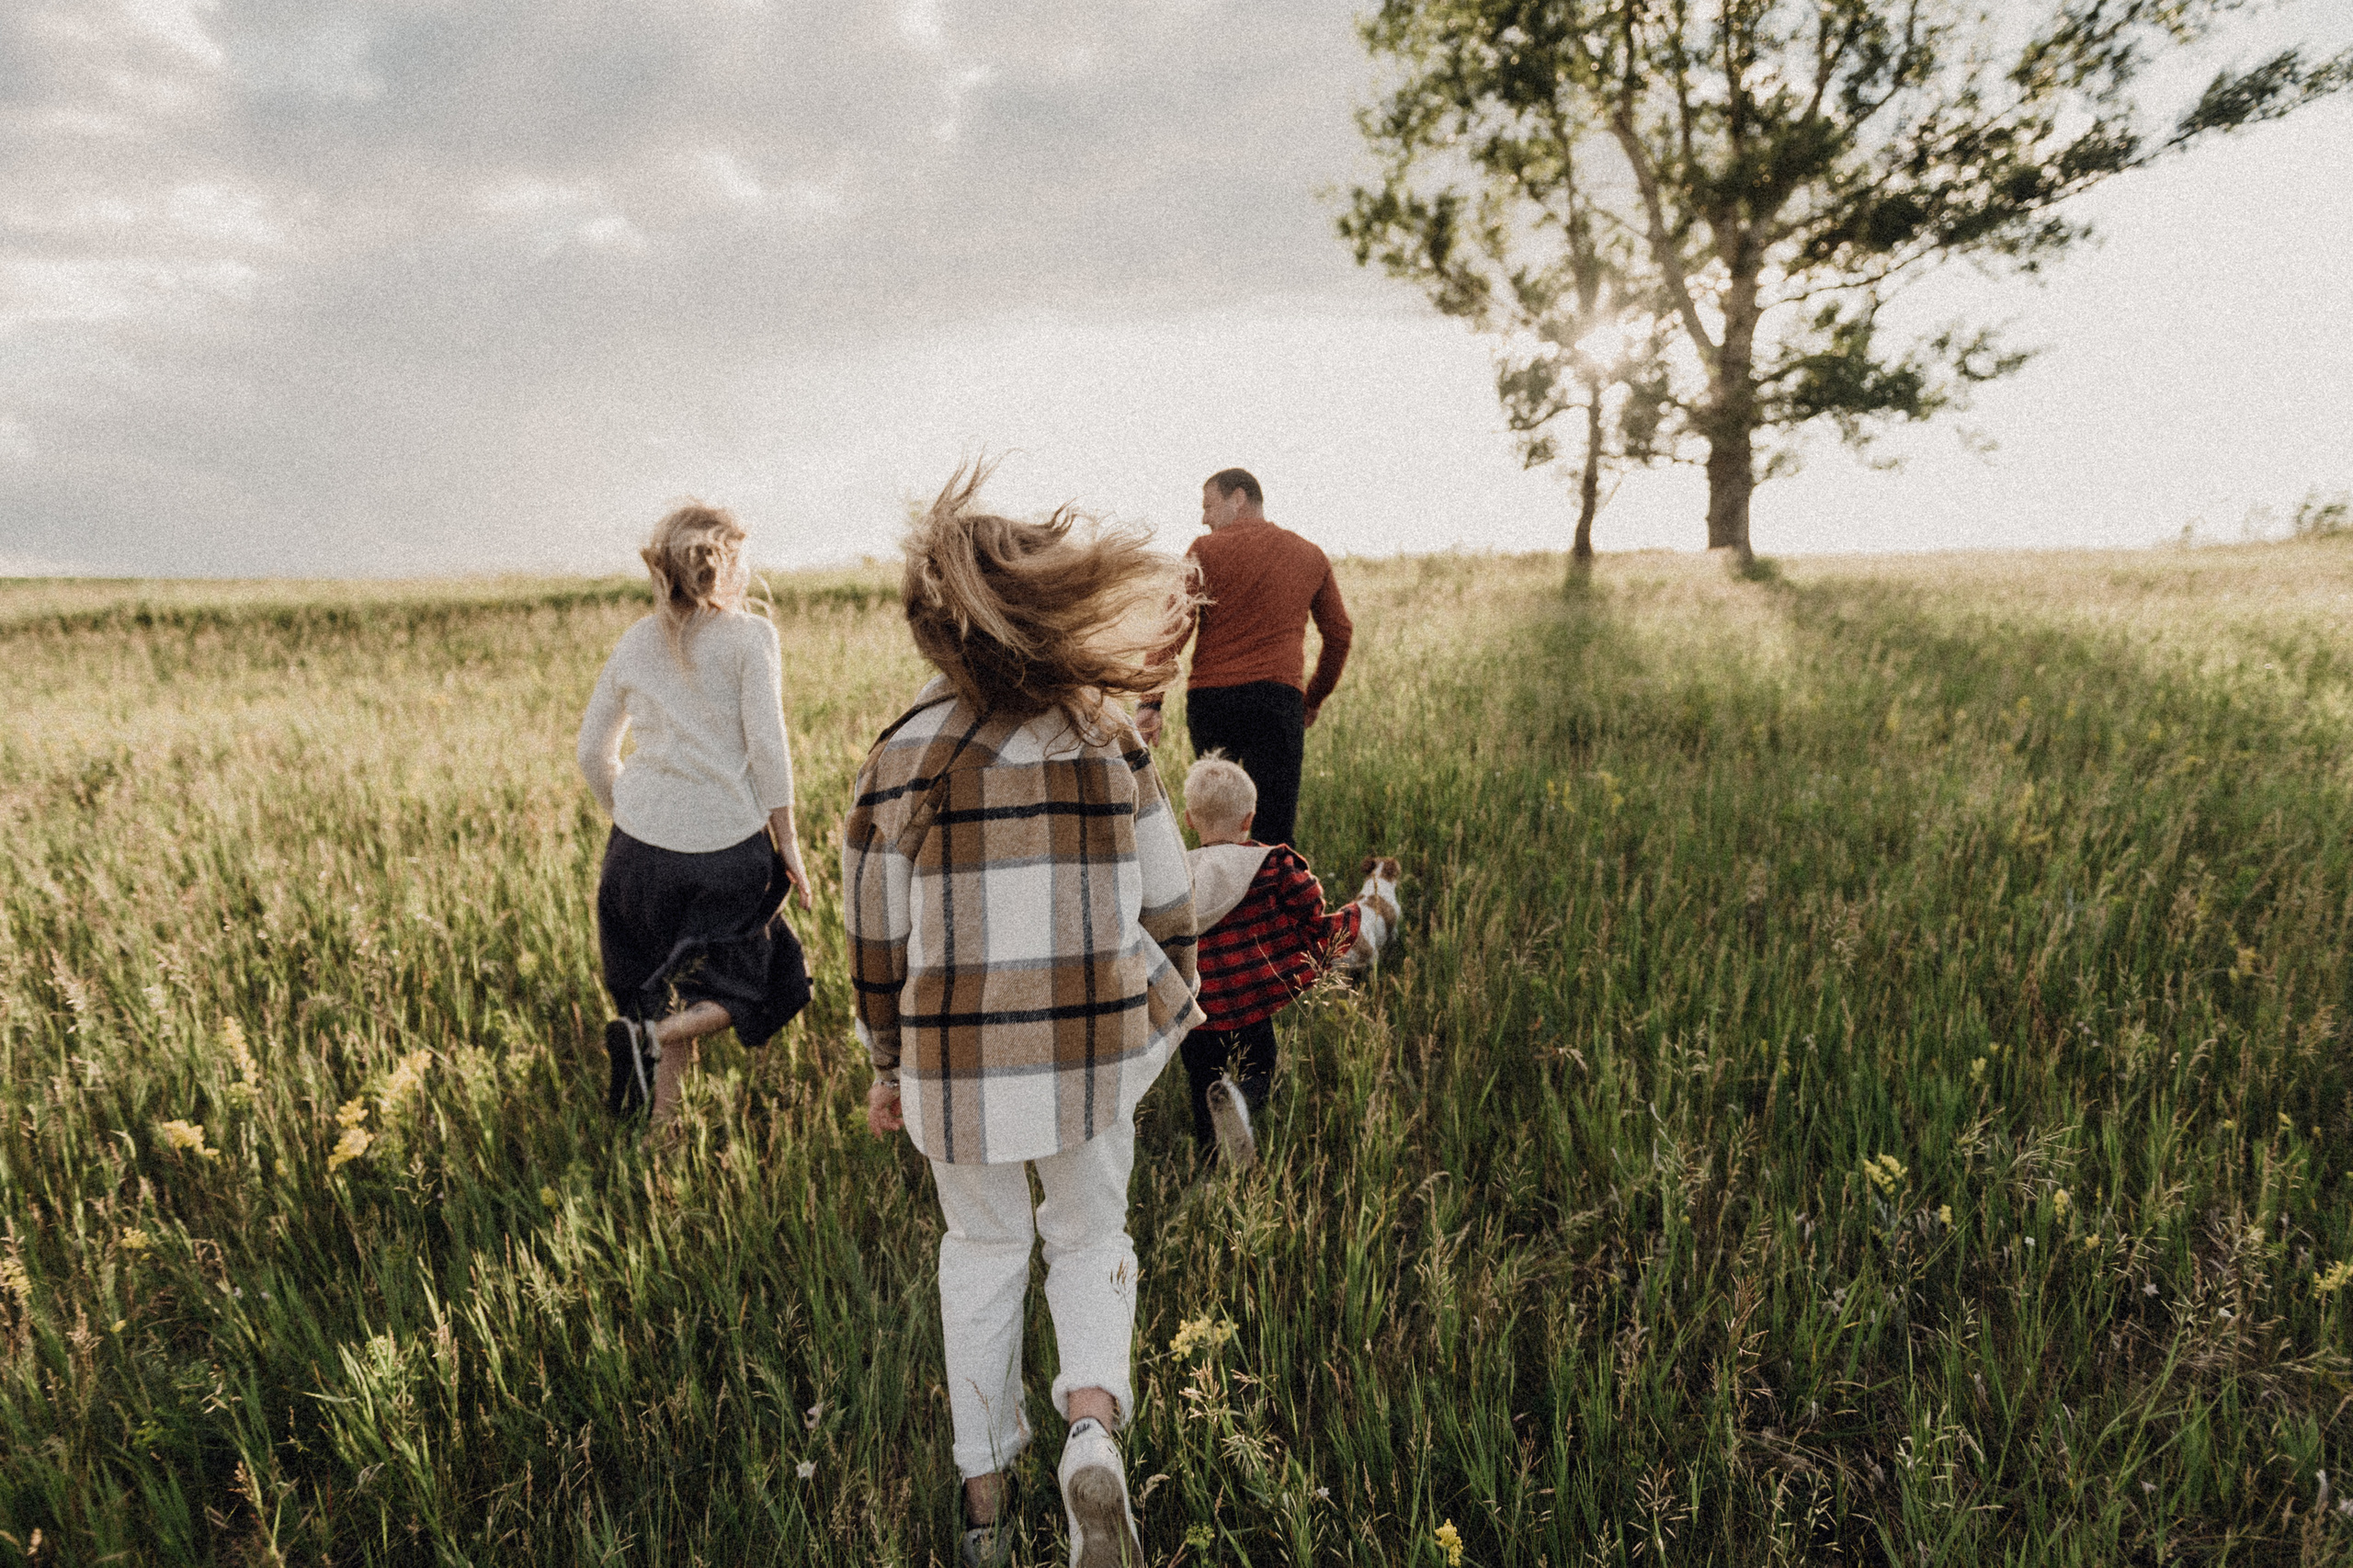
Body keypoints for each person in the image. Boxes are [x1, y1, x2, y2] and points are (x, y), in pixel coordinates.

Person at [845, 464, 1201, 1567]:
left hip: (955, 1068)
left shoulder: (902, 755)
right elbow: (1168, 891)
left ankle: (985, 1500)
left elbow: (874, 944)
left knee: (981, 1249)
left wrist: (889, 1063)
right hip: (1092, 1047)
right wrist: (1170, 994)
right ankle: (1089, 1427)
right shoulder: (1108, 734)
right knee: (1089, 1233)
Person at [576, 504, 813, 1133]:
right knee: (761, 981)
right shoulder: (750, 637)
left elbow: (590, 752)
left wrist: (633, 816)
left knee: (669, 984)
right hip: (725, 853)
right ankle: (652, 1032)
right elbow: (768, 747)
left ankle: (663, 1139)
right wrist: (788, 842)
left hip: (634, 856)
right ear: (728, 562)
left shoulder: (634, 639)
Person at [1136, 468, 1352, 850]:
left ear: (1238, 498)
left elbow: (1175, 624)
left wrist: (1150, 701)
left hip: (1213, 702)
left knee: (1215, 825)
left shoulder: (1204, 550)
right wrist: (1312, 699)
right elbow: (1339, 636)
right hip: (1278, 701)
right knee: (1274, 832)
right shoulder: (1310, 555)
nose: (1203, 518)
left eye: (1208, 505)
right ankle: (1274, 907)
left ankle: (1217, 906)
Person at [1175, 753, 1360, 1169]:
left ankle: (1210, 1172)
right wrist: (1344, 923)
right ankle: (1242, 1097)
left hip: (1197, 1011)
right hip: (1249, 1004)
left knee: (1202, 1086)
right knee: (1262, 1072)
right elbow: (1310, 906)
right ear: (1248, 819)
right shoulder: (1271, 863)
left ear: (1188, 819)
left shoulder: (1178, 875)